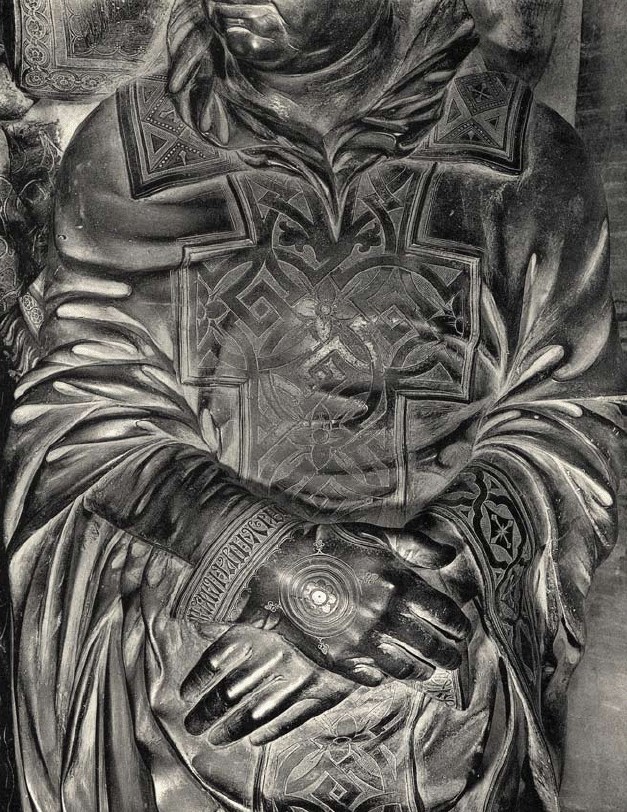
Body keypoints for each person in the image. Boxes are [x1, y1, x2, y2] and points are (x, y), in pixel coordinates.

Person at [3, 0, 624, 810]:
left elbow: (569, 425)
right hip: (194, 653)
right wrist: (289, 570)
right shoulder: (130, 146)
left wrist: (424, 576)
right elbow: (83, 423)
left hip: (444, 662)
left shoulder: (526, 158)